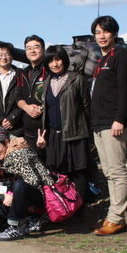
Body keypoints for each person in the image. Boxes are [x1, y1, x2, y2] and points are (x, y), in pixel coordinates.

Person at [90, 16, 127, 236]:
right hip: (99, 123)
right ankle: (112, 216)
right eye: (97, 32)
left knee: (116, 171)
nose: (101, 36)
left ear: (114, 34)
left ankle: (117, 219)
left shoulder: (121, 56)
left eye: (105, 31)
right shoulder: (102, 60)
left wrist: (120, 119)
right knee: (108, 172)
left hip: (112, 123)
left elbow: (126, 90)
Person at [38, 46, 91, 205]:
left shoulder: (77, 79)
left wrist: (85, 130)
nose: (55, 64)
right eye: (50, 61)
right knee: (59, 172)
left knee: (78, 172)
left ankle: (80, 208)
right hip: (54, 134)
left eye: (58, 59)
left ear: (64, 60)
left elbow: (87, 107)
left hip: (75, 133)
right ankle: (65, 207)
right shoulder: (47, 82)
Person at [0, 127, 53, 241]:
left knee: (18, 186)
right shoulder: (13, 150)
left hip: (43, 197)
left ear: (5, 142)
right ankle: (32, 220)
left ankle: (17, 226)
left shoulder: (16, 154)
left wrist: (12, 194)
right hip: (36, 194)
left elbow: (32, 181)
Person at [17, 35, 47, 151]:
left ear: (43, 49)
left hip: (46, 127)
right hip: (28, 129)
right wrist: (26, 107)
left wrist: (42, 109)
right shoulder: (23, 73)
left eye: (36, 47)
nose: (32, 51)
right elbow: (18, 97)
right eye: (29, 48)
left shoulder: (49, 70)